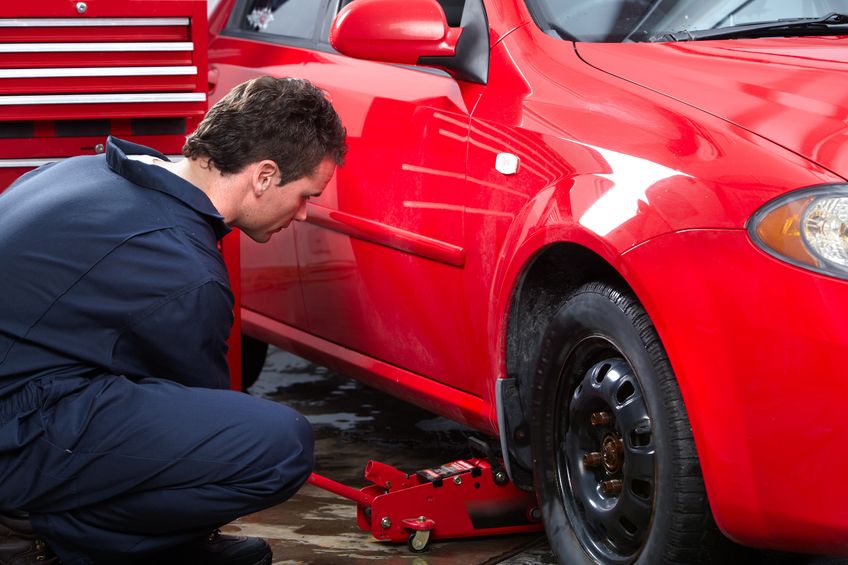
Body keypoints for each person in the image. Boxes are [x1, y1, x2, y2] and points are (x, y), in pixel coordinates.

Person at [0, 76, 347, 564]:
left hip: (24, 394)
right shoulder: (186, 270)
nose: (305, 214)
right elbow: (195, 443)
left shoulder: (82, 171)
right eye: (307, 194)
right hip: (15, 431)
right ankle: (49, 535)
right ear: (264, 176)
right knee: (276, 447)